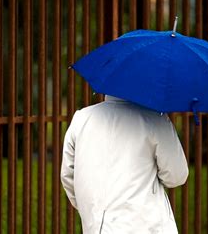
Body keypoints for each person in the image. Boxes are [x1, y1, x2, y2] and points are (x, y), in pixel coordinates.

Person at [61, 95, 189, 234]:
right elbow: (176, 176)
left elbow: (68, 175)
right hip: (147, 226)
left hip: (97, 227)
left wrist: (92, 209)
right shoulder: (154, 119)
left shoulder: (82, 119)